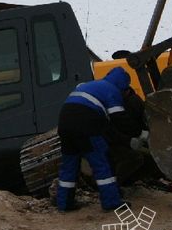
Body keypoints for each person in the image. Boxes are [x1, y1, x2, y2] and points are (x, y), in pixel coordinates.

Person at [55, 67, 132, 213]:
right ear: (123, 85)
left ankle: (64, 203)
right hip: (85, 123)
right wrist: (137, 134)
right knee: (101, 162)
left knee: (69, 164)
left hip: (65, 121)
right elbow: (119, 119)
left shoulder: (90, 85)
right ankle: (111, 203)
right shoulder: (112, 90)